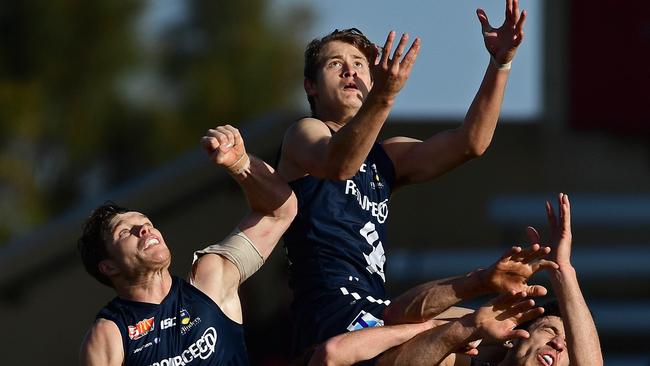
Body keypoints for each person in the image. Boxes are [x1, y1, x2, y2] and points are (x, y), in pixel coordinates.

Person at [276, 0, 528, 358]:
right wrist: (385, 94)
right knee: (458, 332)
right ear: (311, 87)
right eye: (336, 64)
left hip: (377, 310)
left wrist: (500, 63)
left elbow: (469, 143)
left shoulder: (387, 155)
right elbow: (339, 165)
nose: (350, 72)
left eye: (359, 65)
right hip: (328, 315)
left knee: (509, 326)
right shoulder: (305, 132)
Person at [78, 125, 297, 366]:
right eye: (124, 232)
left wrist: (241, 165)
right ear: (108, 267)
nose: (144, 229)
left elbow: (280, 212)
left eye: (146, 222)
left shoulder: (209, 282)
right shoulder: (110, 334)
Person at [306, 194, 603, 366]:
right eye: (550, 330)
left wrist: (563, 270)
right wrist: (479, 287)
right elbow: (394, 317)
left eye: (568, 345)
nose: (561, 345)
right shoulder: (460, 356)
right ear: (515, 340)